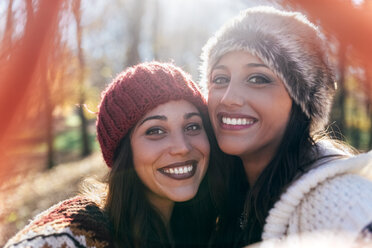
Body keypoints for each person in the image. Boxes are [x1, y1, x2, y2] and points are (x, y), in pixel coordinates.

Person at [199, 6, 372, 247]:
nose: (228, 97)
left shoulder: (339, 200)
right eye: (220, 79)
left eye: (258, 79)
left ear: (301, 103)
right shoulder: (222, 194)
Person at [5, 62, 223, 248]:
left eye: (193, 126)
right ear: (124, 152)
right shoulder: (75, 231)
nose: (182, 147)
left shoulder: (211, 226)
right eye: (155, 131)